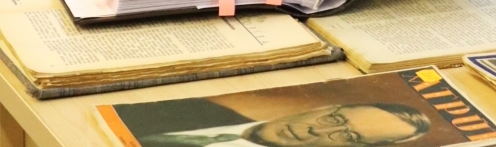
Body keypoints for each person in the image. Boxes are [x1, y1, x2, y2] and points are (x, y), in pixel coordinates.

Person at [142, 101, 433, 147]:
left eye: (347, 135)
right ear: (324, 107)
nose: (317, 130)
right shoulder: (192, 106)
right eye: (335, 119)